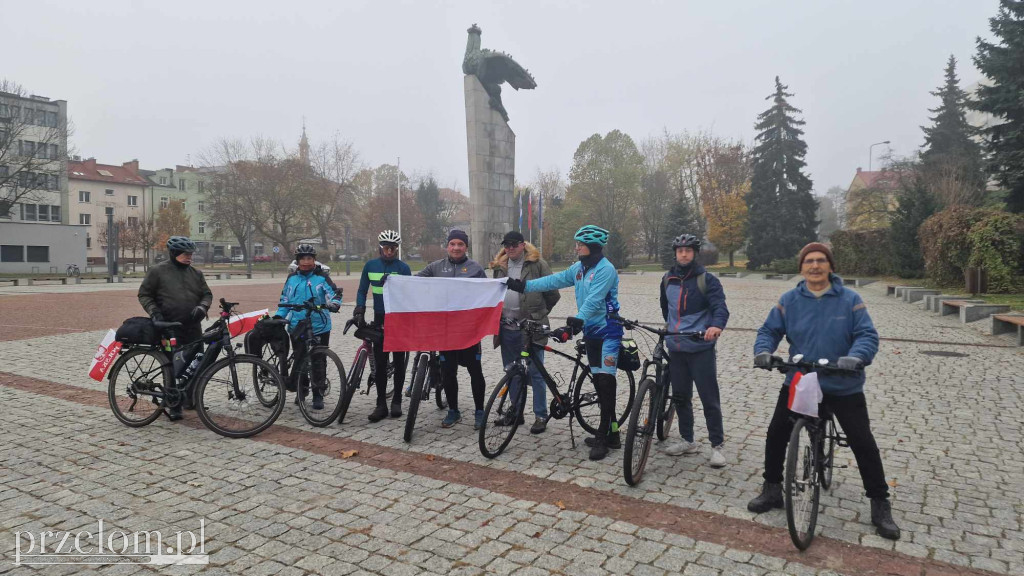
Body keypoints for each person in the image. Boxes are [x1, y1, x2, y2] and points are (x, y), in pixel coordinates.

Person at [748, 242, 900, 541]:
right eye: (809, 261)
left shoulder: (849, 299)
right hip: (801, 379)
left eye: (820, 261)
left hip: (842, 383)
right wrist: (764, 350)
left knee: (862, 441)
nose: (815, 266)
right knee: (777, 432)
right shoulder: (789, 299)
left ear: (830, 266)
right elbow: (768, 330)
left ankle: (880, 502)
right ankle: (772, 488)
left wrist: (857, 357)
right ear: (801, 267)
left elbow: (866, 334)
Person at [506, 224, 623, 460]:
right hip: (591, 330)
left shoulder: (605, 270)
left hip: (608, 330)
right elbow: (554, 281)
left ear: (592, 246)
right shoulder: (579, 268)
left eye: (580, 244)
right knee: (599, 383)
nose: (577, 247)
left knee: (605, 382)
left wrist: (575, 322)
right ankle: (613, 432)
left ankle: (606, 435)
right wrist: (525, 285)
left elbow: (594, 300)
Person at [659, 234, 730, 467]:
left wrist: (715, 326)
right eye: (680, 250)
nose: (684, 254)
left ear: (694, 253)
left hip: (701, 348)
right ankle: (688, 440)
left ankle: (717, 445)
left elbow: (720, 307)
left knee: (709, 398)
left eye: (688, 250)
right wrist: (670, 329)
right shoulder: (667, 279)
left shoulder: (706, 280)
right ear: (675, 253)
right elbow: (665, 308)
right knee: (681, 397)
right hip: (677, 347)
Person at [489, 231, 561, 434]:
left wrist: (539, 314)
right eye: (507, 245)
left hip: (531, 328)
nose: (510, 248)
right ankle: (516, 412)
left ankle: (540, 415)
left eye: (514, 244)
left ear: (522, 245)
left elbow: (553, 294)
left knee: (536, 373)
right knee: (512, 372)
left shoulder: (537, 264)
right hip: (507, 328)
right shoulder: (499, 267)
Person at [417, 229, 488, 429]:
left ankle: (480, 411)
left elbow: (489, 294)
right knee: (448, 372)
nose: (456, 248)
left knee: (476, 372)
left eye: (460, 244)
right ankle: (453, 410)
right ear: (447, 246)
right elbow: (413, 282)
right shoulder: (435, 267)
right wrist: (393, 281)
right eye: (452, 244)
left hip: (469, 331)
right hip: (446, 331)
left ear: (466, 247)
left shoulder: (476, 268)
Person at [138, 236, 213, 421]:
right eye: (185, 254)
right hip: (169, 327)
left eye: (191, 254)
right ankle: (173, 403)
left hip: (193, 326)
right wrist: (155, 312)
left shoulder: (196, 273)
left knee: (196, 362)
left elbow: (207, 293)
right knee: (173, 366)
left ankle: (189, 397)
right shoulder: (158, 271)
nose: (189, 257)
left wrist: (203, 306)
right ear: (173, 253)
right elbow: (145, 294)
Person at [274, 244, 342, 410]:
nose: (306, 261)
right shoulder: (292, 279)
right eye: (303, 258)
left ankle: (318, 394)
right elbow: (285, 300)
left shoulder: (321, 277)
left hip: (319, 325)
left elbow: (333, 294)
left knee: (318, 360)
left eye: (309, 258)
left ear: (314, 260)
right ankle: (302, 389)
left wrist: (334, 304)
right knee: (300, 358)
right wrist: (279, 316)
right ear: (297, 261)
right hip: (297, 325)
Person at [354, 230, 412, 422]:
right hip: (379, 318)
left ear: (397, 248)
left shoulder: (403, 267)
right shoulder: (370, 265)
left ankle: (396, 401)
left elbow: (409, 294)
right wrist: (359, 309)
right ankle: (381, 404)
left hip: (398, 318)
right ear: (380, 247)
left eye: (393, 248)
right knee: (380, 363)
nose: (389, 251)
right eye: (386, 247)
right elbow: (362, 290)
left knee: (399, 361)